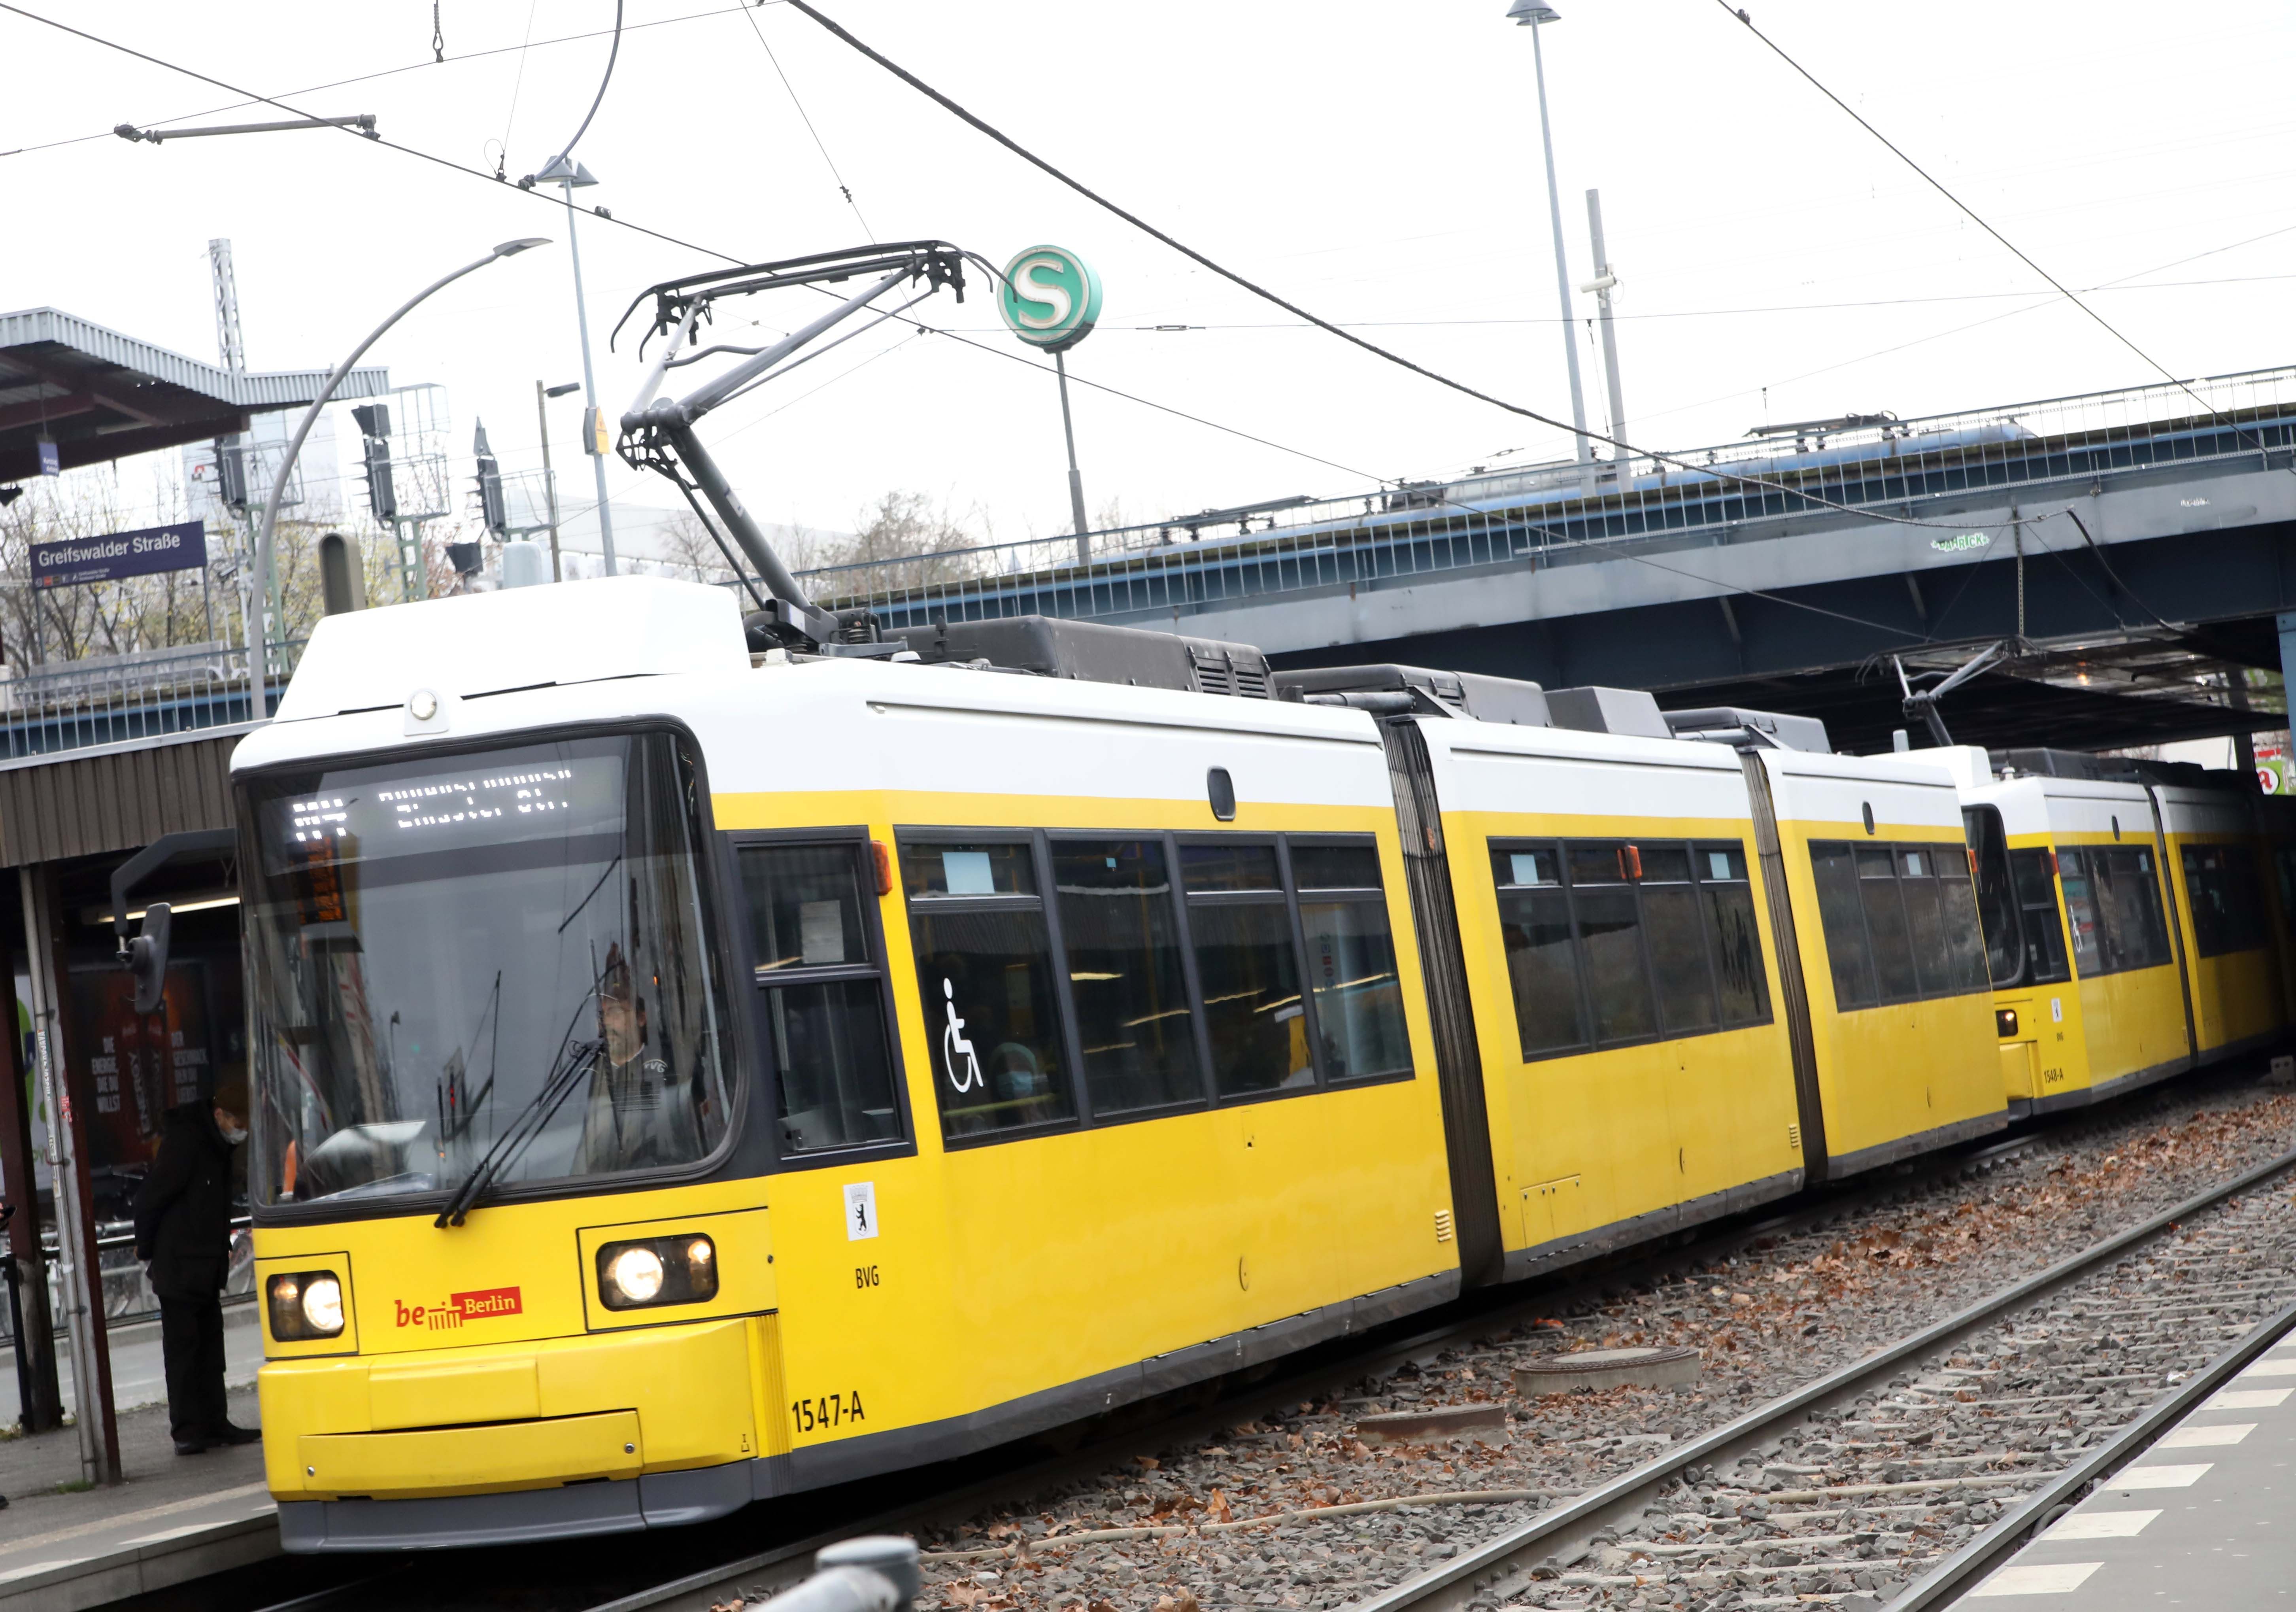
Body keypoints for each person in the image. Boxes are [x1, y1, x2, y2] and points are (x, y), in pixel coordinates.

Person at [134, 1080, 257, 1455]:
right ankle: (187, 1430)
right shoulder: (187, 1142)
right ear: (219, 1115)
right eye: (237, 1122)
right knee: (185, 1351)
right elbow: (151, 1198)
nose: (241, 1130)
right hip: (180, 1265)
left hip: (204, 1265)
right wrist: (147, 1250)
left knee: (209, 1349)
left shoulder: (217, 1145)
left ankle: (214, 1423)